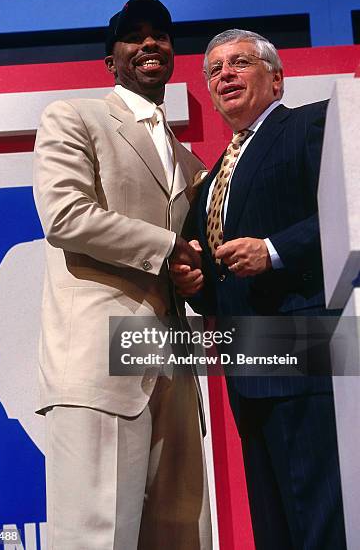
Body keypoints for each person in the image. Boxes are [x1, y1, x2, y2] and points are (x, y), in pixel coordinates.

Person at [33, 0, 211, 550]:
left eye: (160, 33)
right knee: (96, 538)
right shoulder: (75, 116)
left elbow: (200, 256)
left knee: (181, 537)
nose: (150, 43)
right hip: (101, 364)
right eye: (134, 36)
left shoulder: (190, 163)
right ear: (111, 60)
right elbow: (65, 215)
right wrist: (169, 248)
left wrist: (195, 273)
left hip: (174, 373)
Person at [171, 29, 346, 550]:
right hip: (247, 371)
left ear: (276, 79)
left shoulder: (311, 125)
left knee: (320, 522)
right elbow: (219, 280)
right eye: (215, 69)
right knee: (274, 528)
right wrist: (194, 283)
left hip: (306, 355)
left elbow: (346, 215)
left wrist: (271, 250)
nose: (225, 74)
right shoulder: (210, 180)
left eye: (239, 63)